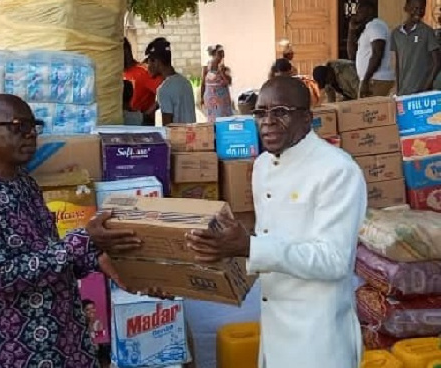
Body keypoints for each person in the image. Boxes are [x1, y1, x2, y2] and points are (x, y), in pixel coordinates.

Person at [0, 94, 142, 367]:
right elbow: (1, 277)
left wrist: (108, 253)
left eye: (33, 126)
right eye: (18, 126)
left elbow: (51, 260)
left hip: (63, 345)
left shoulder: (26, 184)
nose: (30, 134)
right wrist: (82, 241)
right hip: (10, 353)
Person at [186, 76, 367, 368]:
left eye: (280, 112)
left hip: (318, 337)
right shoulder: (262, 167)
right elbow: (269, 242)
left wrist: (249, 246)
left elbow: (334, 260)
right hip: (273, 328)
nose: (267, 121)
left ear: (307, 118)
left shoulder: (337, 171)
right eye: (260, 113)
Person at [391, 0, 440, 95]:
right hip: (403, 91)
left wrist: (426, 86)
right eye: (415, 8)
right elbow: (397, 63)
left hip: (422, 91)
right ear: (406, 8)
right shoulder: (396, 33)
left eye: (422, 9)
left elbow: (437, 62)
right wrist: (397, 88)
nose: (419, 12)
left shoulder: (427, 32)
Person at [349, 0, 395, 98]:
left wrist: (366, 80)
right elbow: (352, 55)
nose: (357, 13)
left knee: (369, 112)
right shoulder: (367, 28)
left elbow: (377, 53)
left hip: (376, 80)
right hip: (370, 80)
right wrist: (351, 30)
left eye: (359, 10)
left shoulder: (376, 26)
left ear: (369, 10)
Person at [146, 37, 196, 125]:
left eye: (148, 62)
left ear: (156, 62)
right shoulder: (185, 82)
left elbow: (168, 127)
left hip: (176, 138)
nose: (147, 67)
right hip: (192, 136)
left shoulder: (164, 89)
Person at [124, 37, 163, 125]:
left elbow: (166, 93)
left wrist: (146, 115)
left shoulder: (145, 71)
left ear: (126, 51)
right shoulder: (114, 75)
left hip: (143, 124)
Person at [201, 45, 233, 123]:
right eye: (220, 53)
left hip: (222, 102)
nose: (222, 55)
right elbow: (203, 84)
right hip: (210, 101)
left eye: (223, 53)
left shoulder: (225, 69)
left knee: (223, 121)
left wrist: (221, 72)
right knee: (212, 121)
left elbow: (228, 82)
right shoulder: (206, 69)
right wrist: (201, 98)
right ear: (214, 54)